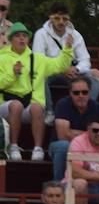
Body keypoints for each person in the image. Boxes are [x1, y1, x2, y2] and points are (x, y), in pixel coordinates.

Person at [1, 22, 73, 162]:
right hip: (5, 105)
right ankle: (13, 146)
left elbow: (60, 65)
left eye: (24, 36)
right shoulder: (1, 58)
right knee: (16, 105)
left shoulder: (38, 58)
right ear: (11, 39)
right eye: (18, 36)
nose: (22, 39)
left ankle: (38, 149)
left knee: (37, 107)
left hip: (29, 105)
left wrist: (68, 48)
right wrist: (12, 74)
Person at [33, 2, 99, 107]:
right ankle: (48, 111)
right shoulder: (41, 34)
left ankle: (85, 109)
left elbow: (85, 59)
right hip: (50, 73)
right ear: (51, 18)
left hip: (71, 73)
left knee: (96, 78)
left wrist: (76, 69)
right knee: (38, 76)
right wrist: (62, 69)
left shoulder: (75, 35)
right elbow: (38, 61)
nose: (61, 22)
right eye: (57, 18)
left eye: (65, 19)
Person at [49, 78, 99, 182]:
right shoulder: (63, 104)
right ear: (70, 93)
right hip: (59, 146)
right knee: (63, 146)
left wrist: (71, 132)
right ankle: (58, 186)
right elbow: (62, 135)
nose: (81, 95)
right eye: (76, 93)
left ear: (90, 92)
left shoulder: (98, 108)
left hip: (88, 148)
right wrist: (88, 135)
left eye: (84, 92)